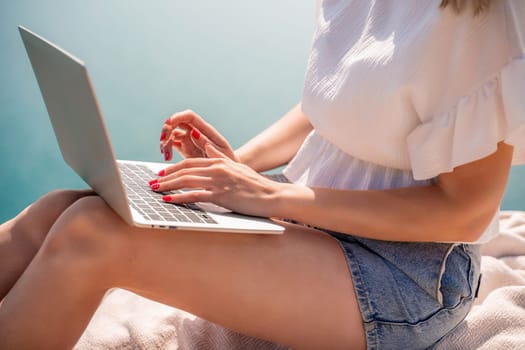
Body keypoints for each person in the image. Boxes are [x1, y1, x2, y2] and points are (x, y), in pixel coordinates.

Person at [1, 0, 524, 349]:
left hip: (407, 279)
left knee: (91, 233)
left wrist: (272, 196)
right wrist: (233, 167)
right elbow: (327, 108)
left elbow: (465, 211)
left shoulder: (478, 21)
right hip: (320, 234)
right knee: (58, 210)